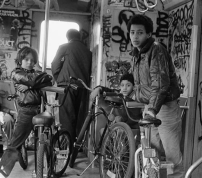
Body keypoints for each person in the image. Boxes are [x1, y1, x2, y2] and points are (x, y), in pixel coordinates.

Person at [92, 14, 184, 178]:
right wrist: (105, 89)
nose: (135, 36)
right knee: (152, 154)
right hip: (150, 107)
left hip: (164, 108)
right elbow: (134, 84)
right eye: (132, 32)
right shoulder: (137, 53)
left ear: (149, 34)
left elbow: (160, 84)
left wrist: (152, 109)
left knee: (171, 157)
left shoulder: (157, 50)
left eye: (140, 32)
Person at [0, 47, 53, 178]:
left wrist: (30, 85)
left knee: (45, 141)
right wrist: (34, 83)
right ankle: (0, 175)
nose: (30, 62)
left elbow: (49, 78)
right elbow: (34, 79)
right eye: (26, 59)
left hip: (40, 110)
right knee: (14, 145)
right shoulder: (15, 72)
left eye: (33, 60)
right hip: (26, 111)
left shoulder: (34, 74)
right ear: (20, 60)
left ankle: (47, 168)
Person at [51, 29, 92, 144]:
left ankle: (66, 146)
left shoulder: (64, 47)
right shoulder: (87, 51)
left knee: (67, 117)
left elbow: (55, 65)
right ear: (79, 37)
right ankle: (77, 145)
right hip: (83, 87)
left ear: (68, 37)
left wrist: (58, 79)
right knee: (79, 117)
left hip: (67, 86)